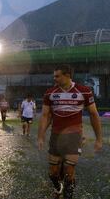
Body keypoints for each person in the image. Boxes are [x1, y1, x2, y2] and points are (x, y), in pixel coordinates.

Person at [38, 65, 102, 199]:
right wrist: (41, 136)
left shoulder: (84, 91)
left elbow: (94, 114)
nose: (54, 78)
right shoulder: (50, 93)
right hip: (56, 135)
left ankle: (68, 195)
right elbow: (45, 116)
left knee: (69, 170)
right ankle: (57, 187)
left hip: (74, 135)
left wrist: (99, 139)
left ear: (67, 75)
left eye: (57, 76)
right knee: (53, 173)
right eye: (54, 76)